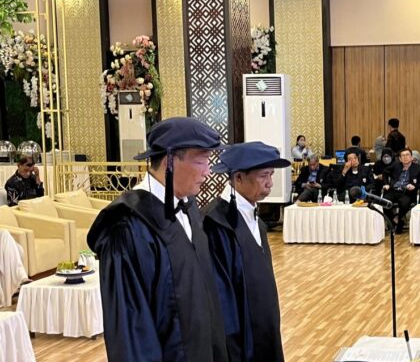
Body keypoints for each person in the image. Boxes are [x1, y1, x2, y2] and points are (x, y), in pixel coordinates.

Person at [87, 117, 228, 362]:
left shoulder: (189, 209)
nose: (208, 171)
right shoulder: (128, 227)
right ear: (169, 161)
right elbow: (131, 332)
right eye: (201, 160)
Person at [203, 141, 290, 362]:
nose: (270, 183)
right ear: (238, 178)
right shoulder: (215, 224)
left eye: (271, 174)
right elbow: (221, 299)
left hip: (264, 329)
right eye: (263, 176)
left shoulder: (256, 222)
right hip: (239, 341)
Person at [383, 148, 420, 233]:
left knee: (404, 203)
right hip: (394, 190)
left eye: (407, 155)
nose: (405, 157)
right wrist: (386, 183)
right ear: (400, 159)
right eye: (403, 156)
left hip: (407, 192)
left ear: (411, 157)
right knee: (383, 202)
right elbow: (385, 171)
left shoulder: (418, 167)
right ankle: (396, 220)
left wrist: (414, 186)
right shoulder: (396, 165)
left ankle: (397, 222)